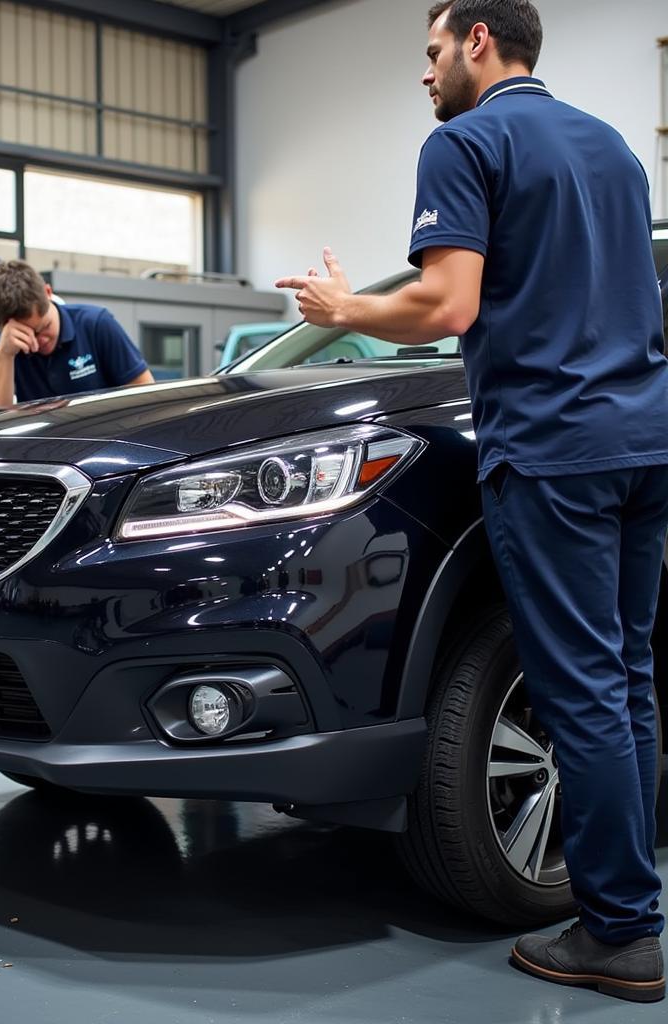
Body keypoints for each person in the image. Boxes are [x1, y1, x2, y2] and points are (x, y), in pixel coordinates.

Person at [275, 0, 666, 1004]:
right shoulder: (613, 149)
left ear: (479, 42)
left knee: (575, 688)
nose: (425, 73)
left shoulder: (466, 139)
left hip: (552, 449)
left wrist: (341, 309)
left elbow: (446, 305)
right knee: (623, 679)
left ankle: (621, 929)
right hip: (643, 441)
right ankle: (626, 907)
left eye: (432, 50)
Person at [0, 259, 154, 411]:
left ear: (48, 293)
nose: (37, 342)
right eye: (25, 336)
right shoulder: (1, 347)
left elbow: (146, 394)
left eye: (43, 328)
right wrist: (5, 354)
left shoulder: (95, 324)